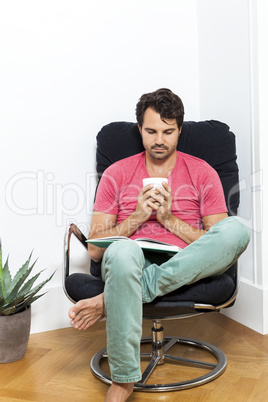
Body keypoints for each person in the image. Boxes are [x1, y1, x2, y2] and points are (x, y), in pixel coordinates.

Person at [69, 88, 250, 402]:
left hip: (187, 264)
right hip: (130, 261)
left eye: (168, 131)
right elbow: (97, 250)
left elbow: (218, 242)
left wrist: (168, 219)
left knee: (236, 230)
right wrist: (139, 216)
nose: (159, 140)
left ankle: (106, 301)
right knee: (123, 250)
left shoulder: (203, 172)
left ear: (180, 130)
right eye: (151, 131)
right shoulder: (116, 174)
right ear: (139, 129)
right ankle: (123, 381)